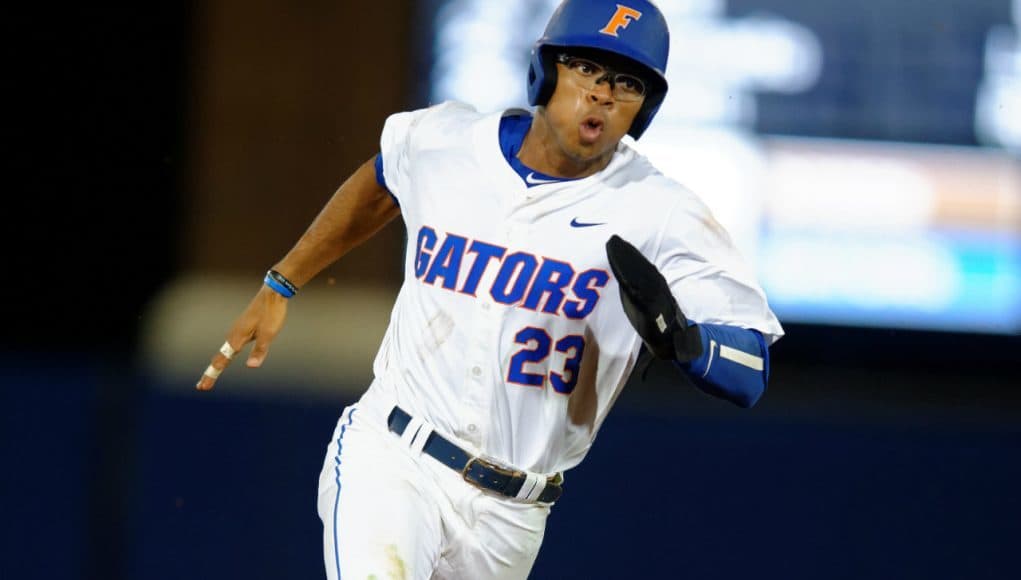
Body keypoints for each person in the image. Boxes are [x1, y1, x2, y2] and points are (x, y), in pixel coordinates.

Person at [196, 0, 783, 578]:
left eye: (627, 82)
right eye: (586, 67)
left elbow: (749, 367)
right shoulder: (448, 142)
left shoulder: (662, 212)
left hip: (513, 517)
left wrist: (688, 342)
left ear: (645, 109)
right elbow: (380, 182)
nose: (603, 93)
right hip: (396, 455)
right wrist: (283, 280)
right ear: (545, 70)